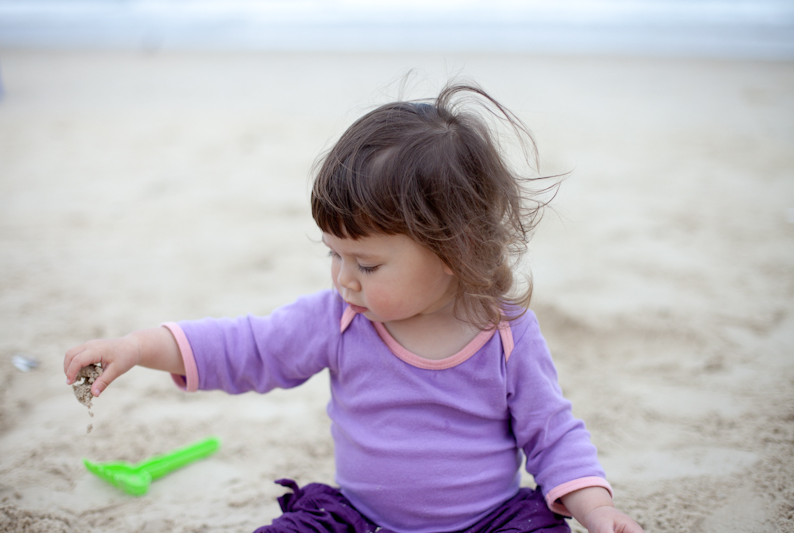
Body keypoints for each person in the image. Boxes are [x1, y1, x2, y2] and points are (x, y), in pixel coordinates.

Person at [64, 83, 645, 533]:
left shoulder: (506, 333)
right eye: (334, 255)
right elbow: (248, 346)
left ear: (454, 250)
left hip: (487, 520)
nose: (344, 279)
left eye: (366, 265)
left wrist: (595, 508)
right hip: (360, 518)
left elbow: (551, 431)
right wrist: (140, 347)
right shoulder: (336, 319)